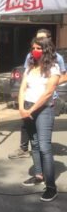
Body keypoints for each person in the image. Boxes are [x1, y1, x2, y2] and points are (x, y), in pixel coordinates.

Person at [9, 28, 66, 159]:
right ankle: (23, 148)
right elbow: (27, 73)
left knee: (43, 130)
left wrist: (50, 83)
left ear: (49, 40)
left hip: (46, 100)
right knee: (25, 123)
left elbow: (64, 76)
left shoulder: (58, 58)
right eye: (37, 38)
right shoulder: (30, 56)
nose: (38, 42)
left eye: (42, 39)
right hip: (30, 97)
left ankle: (44, 155)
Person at [18, 37, 60, 202]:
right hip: (27, 108)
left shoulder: (54, 68)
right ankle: (38, 174)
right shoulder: (30, 67)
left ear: (46, 50)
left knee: (44, 147)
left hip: (43, 110)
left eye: (37, 48)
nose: (34, 50)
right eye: (32, 47)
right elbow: (22, 88)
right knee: (34, 144)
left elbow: (48, 93)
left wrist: (31, 110)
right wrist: (21, 108)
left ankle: (51, 187)